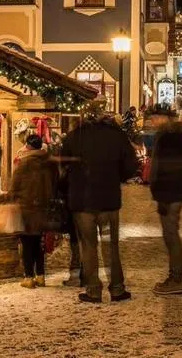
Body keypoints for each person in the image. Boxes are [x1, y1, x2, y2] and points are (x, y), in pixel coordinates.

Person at [61, 104, 138, 303]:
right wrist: (116, 177)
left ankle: (93, 289)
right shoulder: (116, 136)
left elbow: (62, 165)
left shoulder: (75, 136)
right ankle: (117, 288)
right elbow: (131, 166)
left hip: (82, 200)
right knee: (110, 245)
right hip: (108, 200)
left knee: (88, 245)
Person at [149, 113, 182, 295]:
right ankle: (175, 277)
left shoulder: (165, 140)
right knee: (172, 234)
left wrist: (158, 192)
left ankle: (175, 279)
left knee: (171, 235)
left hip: (168, 193)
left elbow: (159, 168)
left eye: (154, 119)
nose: (151, 122)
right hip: (177, 191)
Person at [9, 134, 58, 289]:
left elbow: (15, 185)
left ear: (29, 147)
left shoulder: (24, 163)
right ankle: (41, 276)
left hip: (27, 208)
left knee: (27, 243)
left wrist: (9, 198)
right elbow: (55, 183)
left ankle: (29, 276)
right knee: (38, 243)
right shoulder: (49, 163)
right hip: (43, 208)